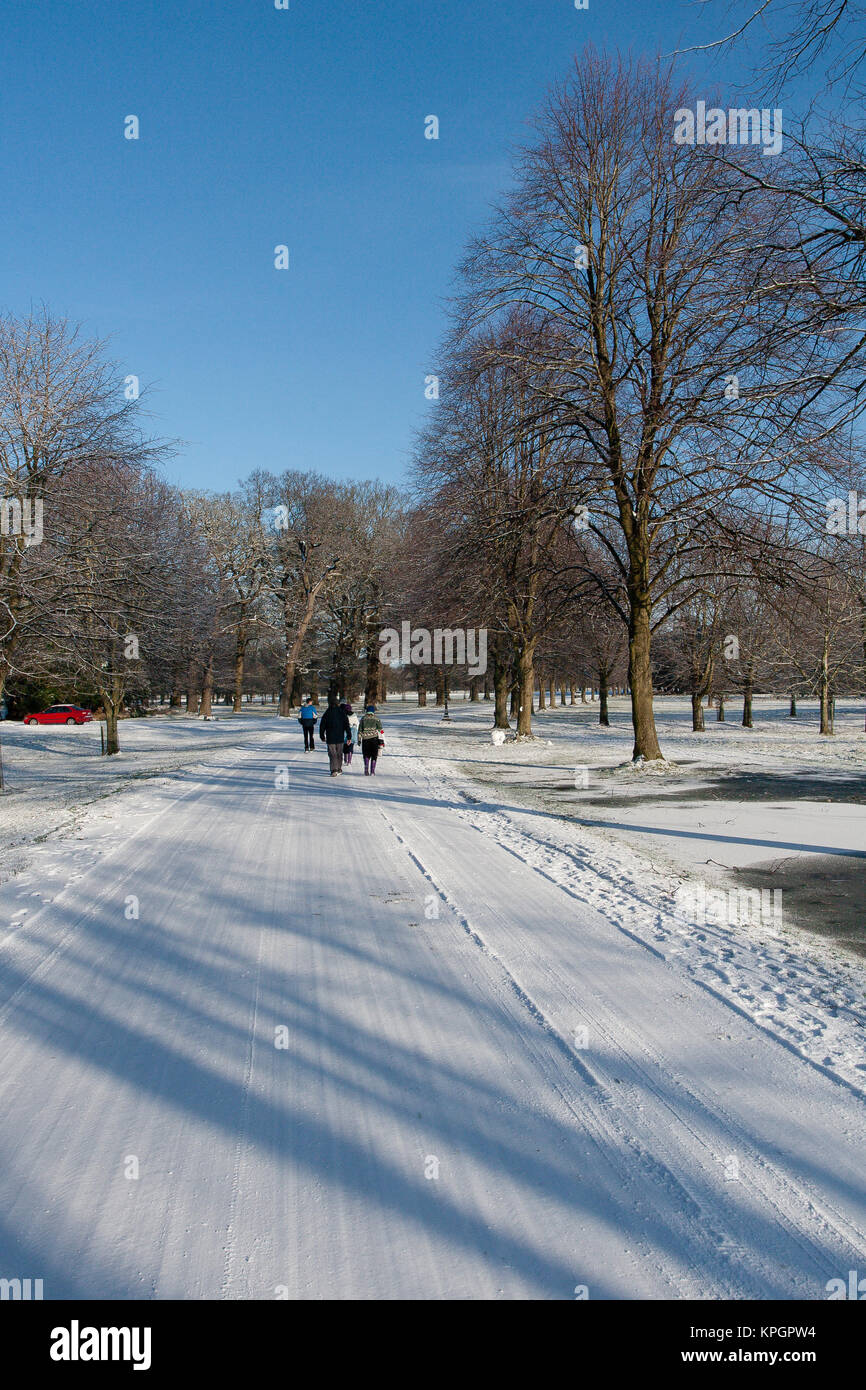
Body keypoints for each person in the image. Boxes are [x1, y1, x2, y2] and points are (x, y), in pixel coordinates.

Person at [319, 696, 352, 776]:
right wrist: (349, 736)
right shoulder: (342, 713)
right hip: (340, 736)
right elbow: (346, 725)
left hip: (330, 737)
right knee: (339, 753)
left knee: (332, 754)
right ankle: (339, 768)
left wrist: (322, 736)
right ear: (337, 704)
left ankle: (334, 770)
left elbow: (322, 725)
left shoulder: (327, 713)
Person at [357, 704, 384, 776]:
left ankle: (366, 769)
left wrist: (359, 739)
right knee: (374, 755)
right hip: (374, 739)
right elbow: (380, 729)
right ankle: (372, 771)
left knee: (366, 754)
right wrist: (383, 736)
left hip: (365, 740)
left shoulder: (363, 719)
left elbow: (360, 730)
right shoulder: (376, 719)